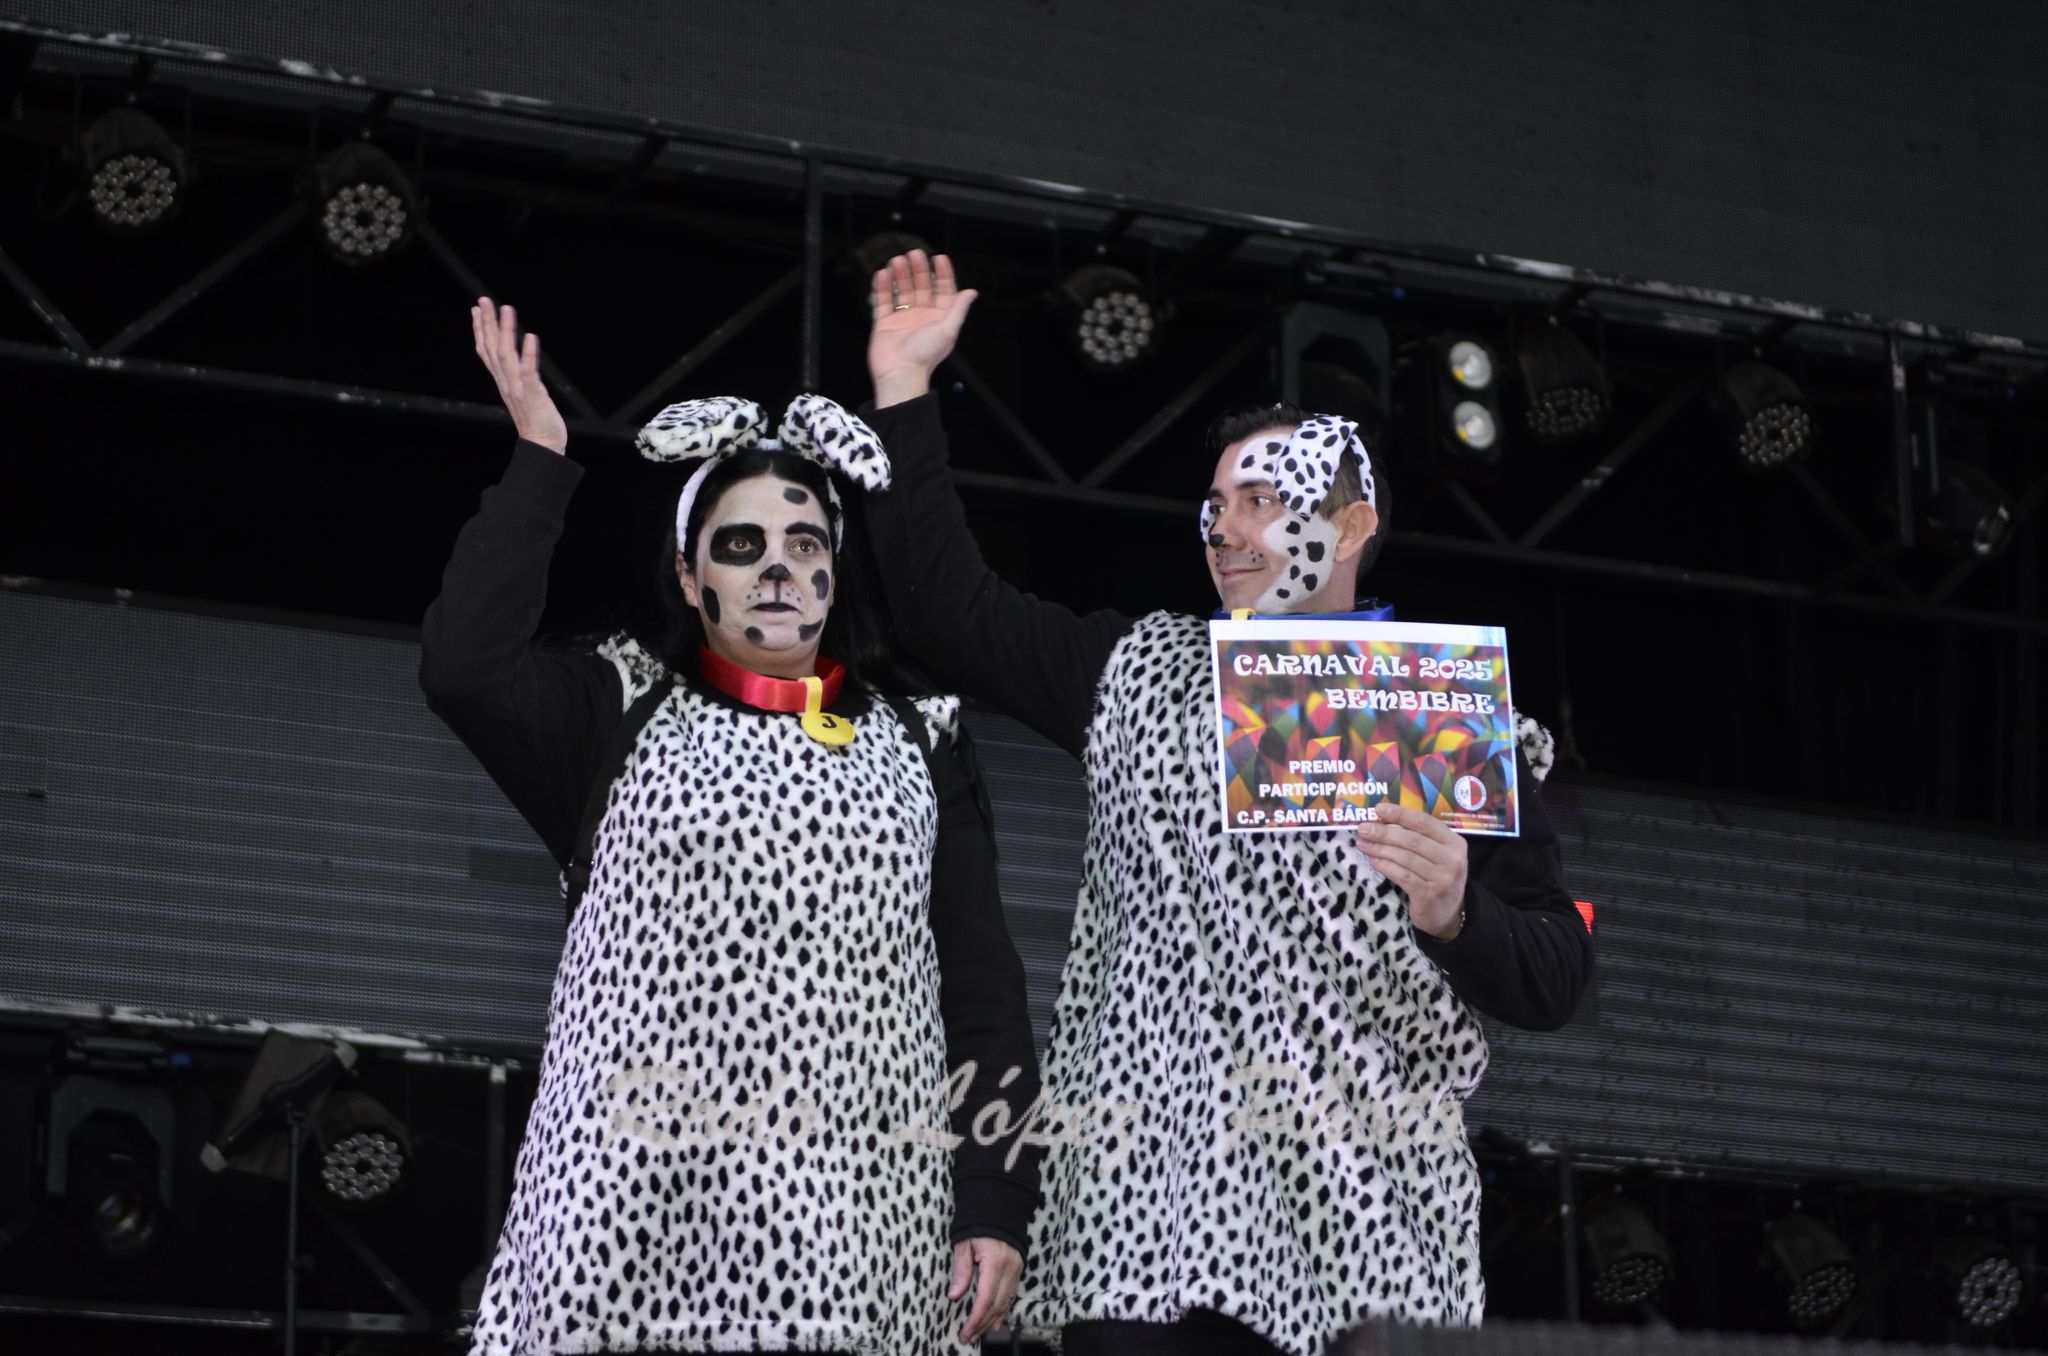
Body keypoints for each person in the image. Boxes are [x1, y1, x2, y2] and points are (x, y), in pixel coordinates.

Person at [857, 253, 1594, 1356]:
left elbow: (1551, 976)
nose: (1224, 531)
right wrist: (905, 395)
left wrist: (1455, 912)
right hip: (1143, 1230)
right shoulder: (1137, 672)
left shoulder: (1438, 716)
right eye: (1212, 507)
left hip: (1364, 1241)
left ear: (1348, 528)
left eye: (1259, 501)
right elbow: (942, 609)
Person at [422, 297, 1041, 1356]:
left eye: (806, 541)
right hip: (624, 1225)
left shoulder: (917, 738)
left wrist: (992, 1204)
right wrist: (539, 460)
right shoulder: (613, 708)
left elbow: (979, 991)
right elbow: (462, 667)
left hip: (851, 1231)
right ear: (688, 573)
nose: (776, 567)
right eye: (741, 542)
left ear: (836, 568)